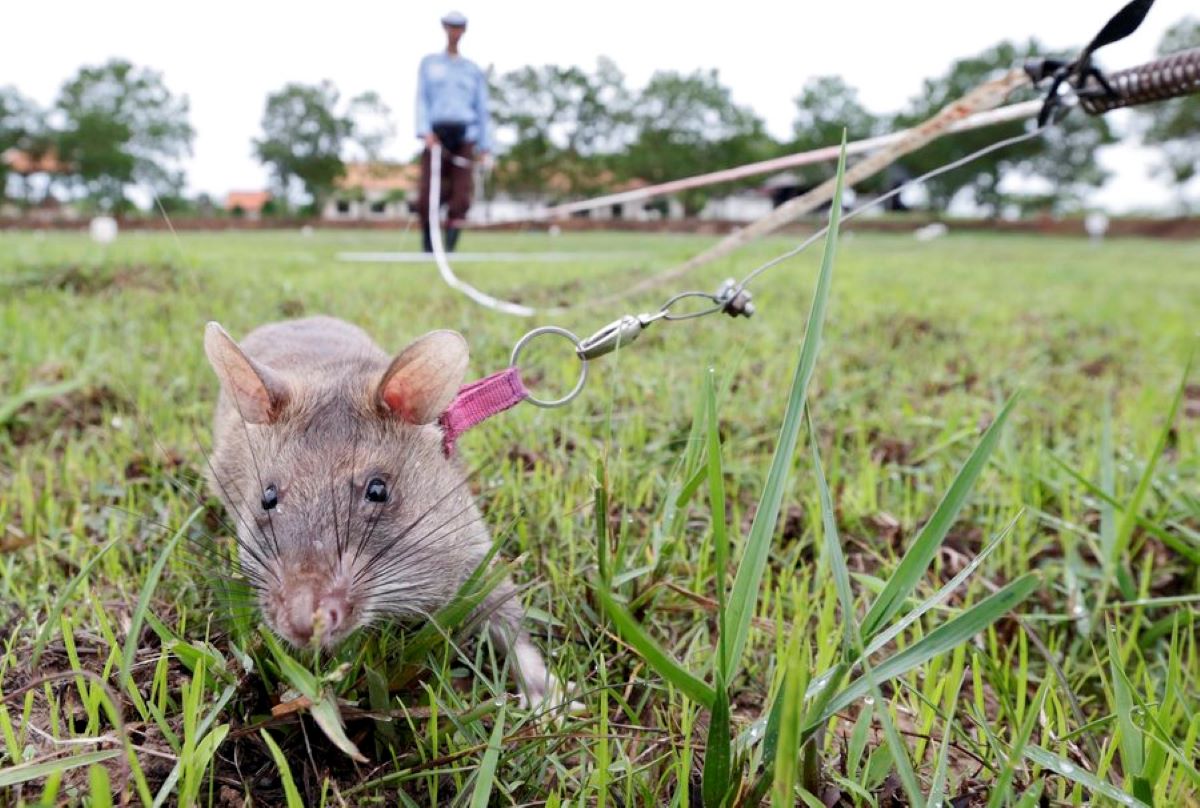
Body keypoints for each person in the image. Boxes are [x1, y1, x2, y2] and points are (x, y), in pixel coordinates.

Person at [415, 10, 491, 253]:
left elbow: (482, 108)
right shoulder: (429, 64)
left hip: (464, 137)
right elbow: (421, 100)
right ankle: (429, 248)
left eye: (459, 27)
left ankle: (449, 249)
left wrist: (486, 147)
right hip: (435, 137)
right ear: (444, 28)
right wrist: (425, 132)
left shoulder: (472, 70)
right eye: (450, 26)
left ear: (464, 31)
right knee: (429, 194)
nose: (454, 31)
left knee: (460, 197)